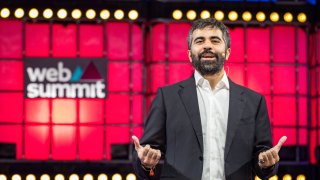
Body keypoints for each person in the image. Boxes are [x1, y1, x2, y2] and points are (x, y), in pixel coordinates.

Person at [132, 18, 287, 180]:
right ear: (190, 54)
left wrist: (266, 163)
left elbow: (262, 158)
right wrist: (146, 162)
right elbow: (146, 158)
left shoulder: (254, 102)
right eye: (199, 41)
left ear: (227, 52)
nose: (207, 45)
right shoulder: (167, 97)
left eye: (215, 40)